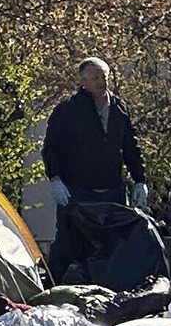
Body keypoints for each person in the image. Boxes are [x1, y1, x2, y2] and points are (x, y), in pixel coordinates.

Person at [43, 57, 148, 214]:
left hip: (113, 191)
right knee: (74, 238)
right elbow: (51, 147)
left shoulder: (119, 108)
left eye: (104, 77)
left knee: (115, 237)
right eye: (95, 78)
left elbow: (130, 146)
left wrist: (140, 180)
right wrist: (55, 179)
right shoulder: (67, 109)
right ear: (84, 82)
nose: (101, 82)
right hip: (77, 191)